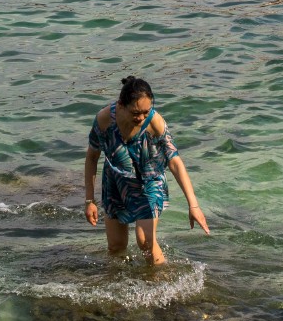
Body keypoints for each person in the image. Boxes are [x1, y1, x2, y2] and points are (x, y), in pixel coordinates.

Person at [83, 75, 209, 265]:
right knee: (116, 247)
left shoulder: (154, 122)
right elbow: (92, 157)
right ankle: (120, 287)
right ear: (121, 105)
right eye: (135, 112)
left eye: (146, 111)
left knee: (145, 242)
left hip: (150, 181)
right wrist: (89, 201)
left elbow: (174, 161)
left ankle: (162, 282)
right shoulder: (104, 120)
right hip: (116, 181)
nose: (141, 117)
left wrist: (193, 205)